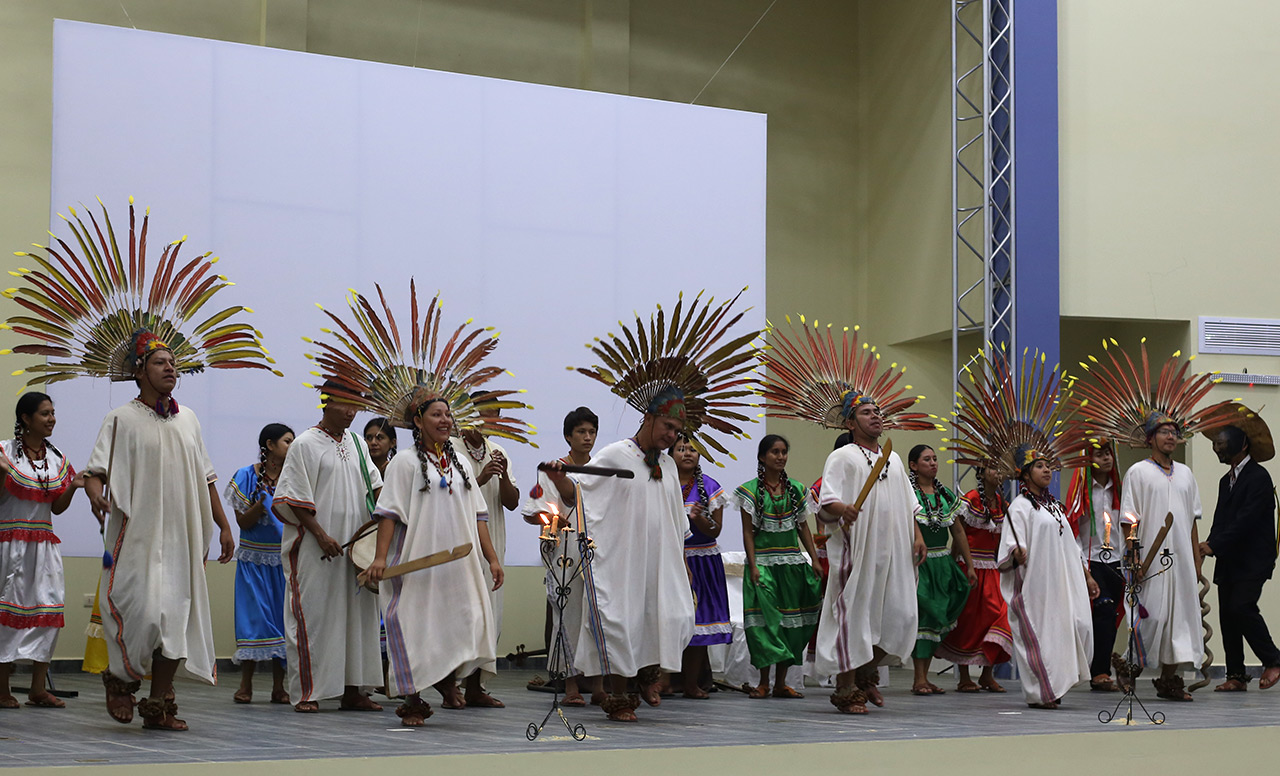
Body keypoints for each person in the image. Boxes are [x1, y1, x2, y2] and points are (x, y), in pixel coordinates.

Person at [552, 293, 756, 722]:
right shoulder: (614, 455)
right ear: (648, 418)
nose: (672, 436)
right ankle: (619, 696)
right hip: (621, 563)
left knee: (672, 616)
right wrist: (559, 480)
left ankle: (649, 674)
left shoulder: (666, 464)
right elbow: (579, 497)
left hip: (659, 564)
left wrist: (682, 562)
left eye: (678, 430)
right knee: (621, 623)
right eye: (668, 426)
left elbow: (675, 523)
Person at [84, 333, 237, 731]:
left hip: (183, 535)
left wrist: (223, 525)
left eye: (173, 363)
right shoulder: (120, 419)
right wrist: (96, 495)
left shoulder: (189, 419)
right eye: (159, 362)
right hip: (138, 534)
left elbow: (206, 477)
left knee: (175, 617)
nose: (170, 368)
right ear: (139, 371)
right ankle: (120, 679)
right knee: (142, 612)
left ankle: (157, 703)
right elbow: (95, 471)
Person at [362, 393, 504, 726]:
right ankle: (413, 701)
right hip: (415, 562)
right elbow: (388, 514)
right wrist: (380, 558)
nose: (445, 421)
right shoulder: (405, 462)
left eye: (447, 415)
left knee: (462, 623)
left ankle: (446, 682)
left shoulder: (461, 463)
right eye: (436, 415)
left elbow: (480, 515)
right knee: (415, 628)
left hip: (458, 564)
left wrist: (492, 559)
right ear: (417, 421)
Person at [273, 381, 384, 713]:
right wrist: (320, 535)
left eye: (356, 405)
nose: (352, 412)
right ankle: (308, 692)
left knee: (357, 618)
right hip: (315, 548)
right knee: (315, 617)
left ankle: (353, 690)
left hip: (355, 548)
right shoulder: (305, 444)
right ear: (326, 402)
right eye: (345, 404)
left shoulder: (358, 443)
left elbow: (376, 489)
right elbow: (294, 498)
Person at [816, 394, 927, 714]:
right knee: (855, 617)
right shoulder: (842, 456)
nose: (876, 416)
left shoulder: (894, 459)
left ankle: (866, 672)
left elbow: (909, 504)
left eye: (877, 411)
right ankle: (846, 688)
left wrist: (917, 535)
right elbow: (826, 503)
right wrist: (843, 509)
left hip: (895, 550)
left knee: (902, 615)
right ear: (850, 423)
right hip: (859, 549)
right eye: (866, 412)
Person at [0, 392, 84, 710]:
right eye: (44, 414)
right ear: (26, 418)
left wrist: (73, 487)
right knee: (7, 614)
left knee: (48, 612)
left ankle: (38, 688)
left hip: (44, 545)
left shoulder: (56, 457)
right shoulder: (4, 452)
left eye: (52, 413)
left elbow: (56, 508)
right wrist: (2, 472)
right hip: (9, 544)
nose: (52, 419)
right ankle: (2, 688)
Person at [999, 449, 1097, 709]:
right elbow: (1011, 542)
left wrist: (1087, 576)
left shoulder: (1055, 507)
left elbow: (1071, 546)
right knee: (1042, 636)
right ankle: (1042, 693)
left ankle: (1055, 685)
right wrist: (1016, 552)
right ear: (1025, 474)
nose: (1046, 470)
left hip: (1064, 581)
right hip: (1037, 583)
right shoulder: (1020, 506)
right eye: (1039, 466)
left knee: (1079, 626)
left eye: (1048, 466)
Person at [1118, 414, 1206, 701]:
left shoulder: (1186, 474)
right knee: (1151, 617)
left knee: (1181, 619)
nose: (1170, 437)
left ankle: (1169, 680)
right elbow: (1129, 519)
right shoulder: (1138, 472)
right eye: (1164, 432)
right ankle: (1129, 667)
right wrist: (1133, 556)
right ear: (1150, 438)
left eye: (1174, 432)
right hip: (1149, 559)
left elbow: (1192, 520)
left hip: (1181, 560)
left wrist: (1196, 561)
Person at [522, 407, 604, 706]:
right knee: (566, 616)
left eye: (592, 432)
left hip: (596, 551)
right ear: (568, 436)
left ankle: (599, 686)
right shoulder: (552, 470)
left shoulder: (601, 470)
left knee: (597, 615)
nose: (587, 437)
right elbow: (532, 512)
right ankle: (570, 685)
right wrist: (553, 520)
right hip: (564, 552)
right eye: (581, 432)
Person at [734, 434, 822, 699]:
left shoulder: (796, 489)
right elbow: (748, 532)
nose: (781, 457)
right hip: (764, 564)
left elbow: (803, 526)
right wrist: (753, 565)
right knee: (766, 624)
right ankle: (763, 682)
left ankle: (781, 683)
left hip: (792, 565)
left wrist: (814, 559)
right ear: (762, 457)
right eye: (775, 452)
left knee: (789, 625)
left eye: (784, 452)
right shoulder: (750, 491)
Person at [1198, 411, 1280, 691]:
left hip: (1253, 559)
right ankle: (1236, 675)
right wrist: (1208, 544)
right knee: (1227, 615)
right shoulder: (1226, 481)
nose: (1216, 447)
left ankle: (1273, 659)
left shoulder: (1259, 477)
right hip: (1229, 559)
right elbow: (1221, 520)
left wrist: (1215, 545)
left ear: (1243, 444)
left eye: (1221, 442)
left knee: (1242, 606)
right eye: (1215, 443)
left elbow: (1246, 520)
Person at [225, 423, 295, 704]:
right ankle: (246, 685)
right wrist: (261, 502)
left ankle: (279, 687)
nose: (292, 446)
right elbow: (243, 522)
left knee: (281, 621)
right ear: (270, 445)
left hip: (283, 561)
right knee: (253, 620)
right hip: (253, 563)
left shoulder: (294, 477)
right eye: (287, 441)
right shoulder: (246, 476)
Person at [936, 466, 1013, 692]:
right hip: (969, 566)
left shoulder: (1003, 504)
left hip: (992, 568)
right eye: (993, 468)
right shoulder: (970, 500)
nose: (998, 473)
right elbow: (958, 534)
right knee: (968, 621)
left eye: (1000, 470)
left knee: (999, 616)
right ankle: (964, 676)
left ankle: (987, 674)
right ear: (981, 473)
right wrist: (956, 566)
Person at [907, 444, 974, 695]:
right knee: (924, 616)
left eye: (935, 459)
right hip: (919, 563)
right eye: (927, 459)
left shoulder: (945, 495)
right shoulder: (908, 494)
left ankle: (924, 677)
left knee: (938, 618)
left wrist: (969, 565)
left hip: (943, 563)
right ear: (913, 465)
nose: (933, 463)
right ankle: (918, 678)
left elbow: (958, 532)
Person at [1064, 440, 1127, 692]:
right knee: (1103, 610)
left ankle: (1100, 668)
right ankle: (1099, 671)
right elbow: (1073, 532)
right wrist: (1084, 571)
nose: (1106, 458)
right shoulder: (1082, 491)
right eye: (1099, 455)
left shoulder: (1120, 489)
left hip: (1117, 560)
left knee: (1112, 616)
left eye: (1108, 453)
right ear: (1088, 460)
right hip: (1092, 561)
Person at [458, 391, 519, 641]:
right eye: (483, 416)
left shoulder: (498, 451)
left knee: (490, 616)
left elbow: (512, 503)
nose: (488, 423)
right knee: (464, 616)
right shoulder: (451, 449)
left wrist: (503, 476)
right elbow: (449, 498)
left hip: (493, 539)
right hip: (462, 541)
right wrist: (481, 478)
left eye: (494, 417)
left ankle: (484, 668)